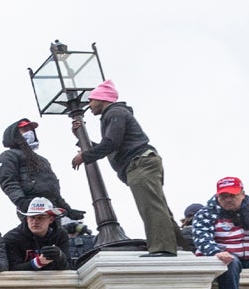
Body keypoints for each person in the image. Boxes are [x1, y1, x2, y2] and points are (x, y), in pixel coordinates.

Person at [71, 81, 178, 256]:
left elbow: (111, 143)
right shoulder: (115, 114)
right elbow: (113, 146)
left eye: (91, 100)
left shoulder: (115, 112)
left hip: (140, 163)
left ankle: (163, 248)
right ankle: (179, 246)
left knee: (151, 206)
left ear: (101, 98)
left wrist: (84, 156)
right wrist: (80, 138)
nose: (88, 106)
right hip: (141, 163)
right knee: (157, 205)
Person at [0, 117, 84, 221]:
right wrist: (22, 202)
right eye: (25, 130)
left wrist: (68, 210)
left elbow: (53, 190)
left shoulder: (43, 160)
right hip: (32, 205)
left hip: (51, 207)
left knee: (55, 235)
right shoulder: (9, 156)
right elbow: (9, 182)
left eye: (31, 130)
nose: (30, 133)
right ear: (15, 134)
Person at [4, 197, 72, 272]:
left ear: (51, 219)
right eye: (32, 217)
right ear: (27, 219)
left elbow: (69, 268)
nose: (35, 221)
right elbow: (10, 270)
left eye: (41, 217)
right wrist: (38, 262)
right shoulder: (12, 238)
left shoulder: (61, 235)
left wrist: (60, 256)